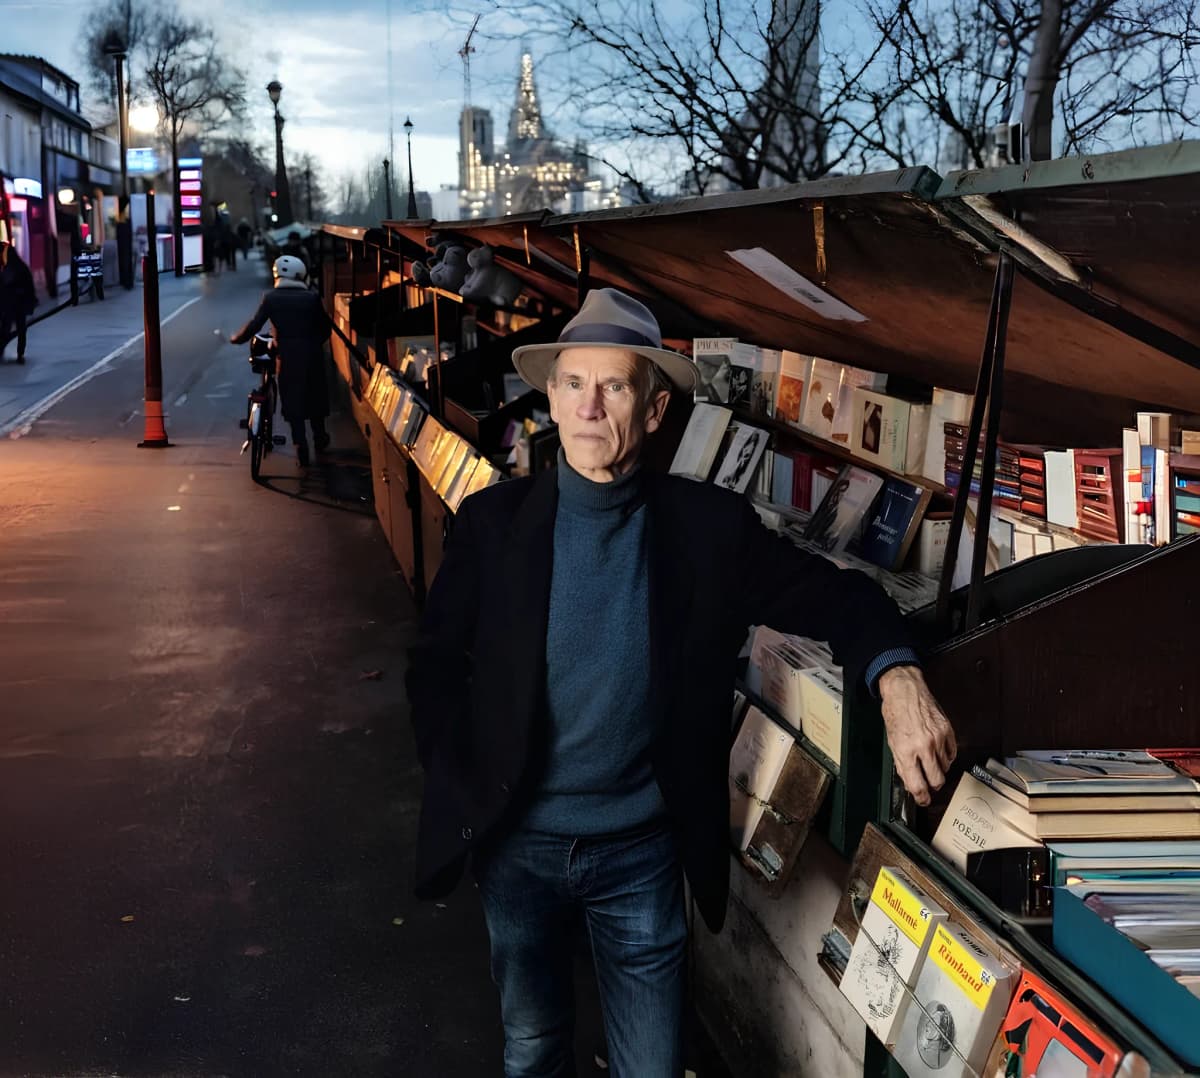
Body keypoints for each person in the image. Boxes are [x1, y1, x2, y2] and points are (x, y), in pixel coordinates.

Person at [406, 288, 957, 1078]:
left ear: (656, 409)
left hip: (640, 855)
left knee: (653, 1068)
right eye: (573, 384)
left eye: (616, 386)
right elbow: (433, 667)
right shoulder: (494, 526)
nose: (590, 406)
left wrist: (896, 676)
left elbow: (841, 595)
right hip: (519, 845)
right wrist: (462, 780)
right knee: (532, 1049)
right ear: (552, 398)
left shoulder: (707, 532)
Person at [229, 255, 331, 466]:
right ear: (301, 274)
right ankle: (320, 439)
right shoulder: (312, 298)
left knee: (293, 401)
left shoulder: (271, 298)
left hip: (286, 357)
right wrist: (313, 343)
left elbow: (254, 325)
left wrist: (237, 338)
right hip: (312, 354)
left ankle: (300, 444)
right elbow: (325, 329)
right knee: (314, 397)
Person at [0, 240, 36, 364]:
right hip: (18, 305)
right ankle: (20, 354)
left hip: (11, 305)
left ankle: (2, 352)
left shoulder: (8, 270)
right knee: (20, 330)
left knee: (6, 329)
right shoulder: (22, 268)